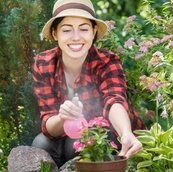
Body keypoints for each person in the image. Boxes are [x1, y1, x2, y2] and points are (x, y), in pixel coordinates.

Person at [32, 0, 145, 167]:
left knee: (78, 145)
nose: (76, 37)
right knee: (40, 145)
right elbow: (48, 124)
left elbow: (113, 101)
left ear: (93, 32)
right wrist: (63, 117)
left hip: (106, 134)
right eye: (67, 30)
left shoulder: (107, 61)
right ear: (55, 34)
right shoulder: (43, 63)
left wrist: (126, 132)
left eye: (84, 29)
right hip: (64, 133)